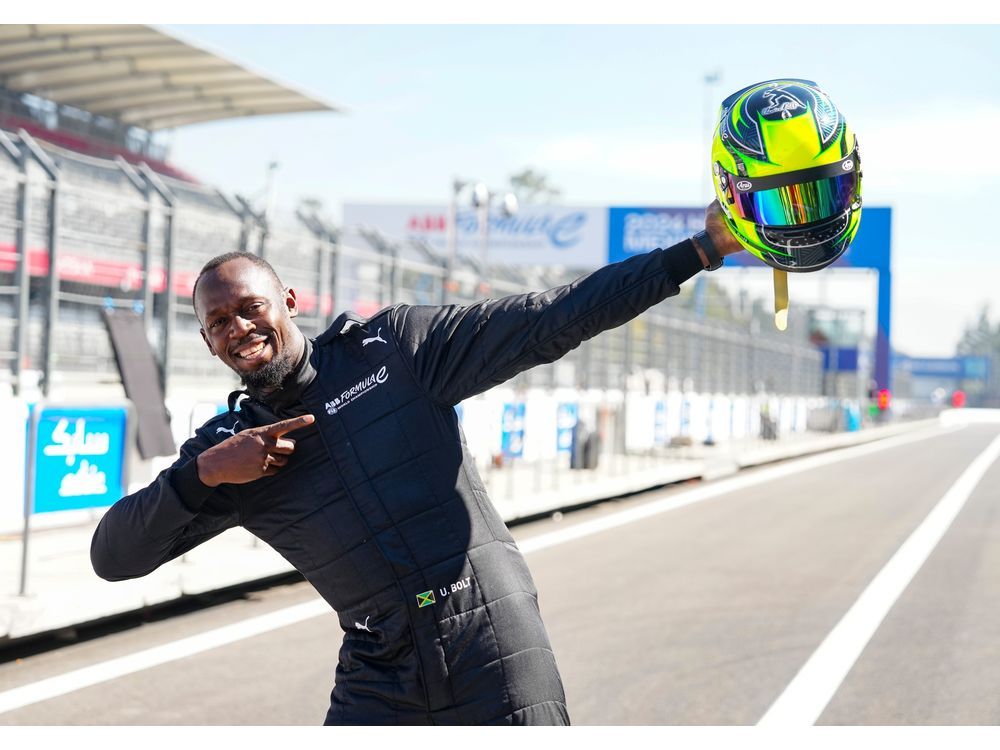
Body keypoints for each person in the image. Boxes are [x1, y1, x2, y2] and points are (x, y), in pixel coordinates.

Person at [91, 201, 744, 725]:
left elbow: (553, 317)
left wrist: (698, 251)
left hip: (494, 650)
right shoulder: (229, 450)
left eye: (249, 307)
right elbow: (114, 558)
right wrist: (201, 474)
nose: (238, 327)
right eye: (219, 321)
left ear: (288, 301)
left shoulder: (394, 349)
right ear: (207, 342)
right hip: (381, 676)